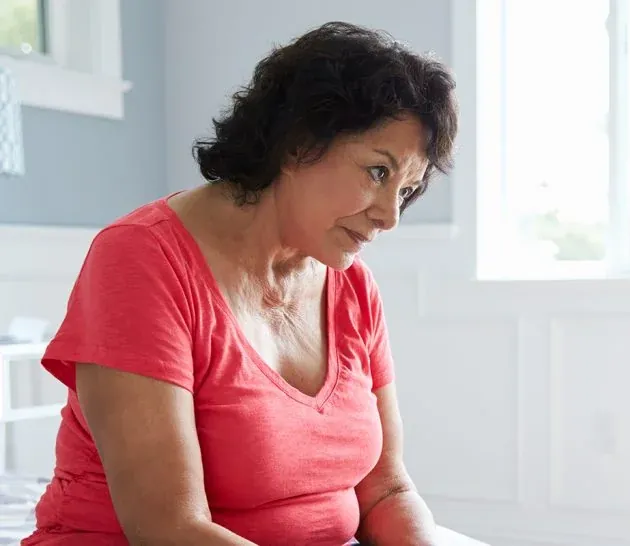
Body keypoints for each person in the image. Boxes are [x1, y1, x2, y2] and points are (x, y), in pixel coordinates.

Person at [24, 21, 457, 546]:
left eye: (407, 189)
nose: (391, 217)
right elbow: (168, 530)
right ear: (299, 142)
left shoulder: (352, 285)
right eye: (378, 172)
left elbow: (385, 488)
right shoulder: (140, 260)